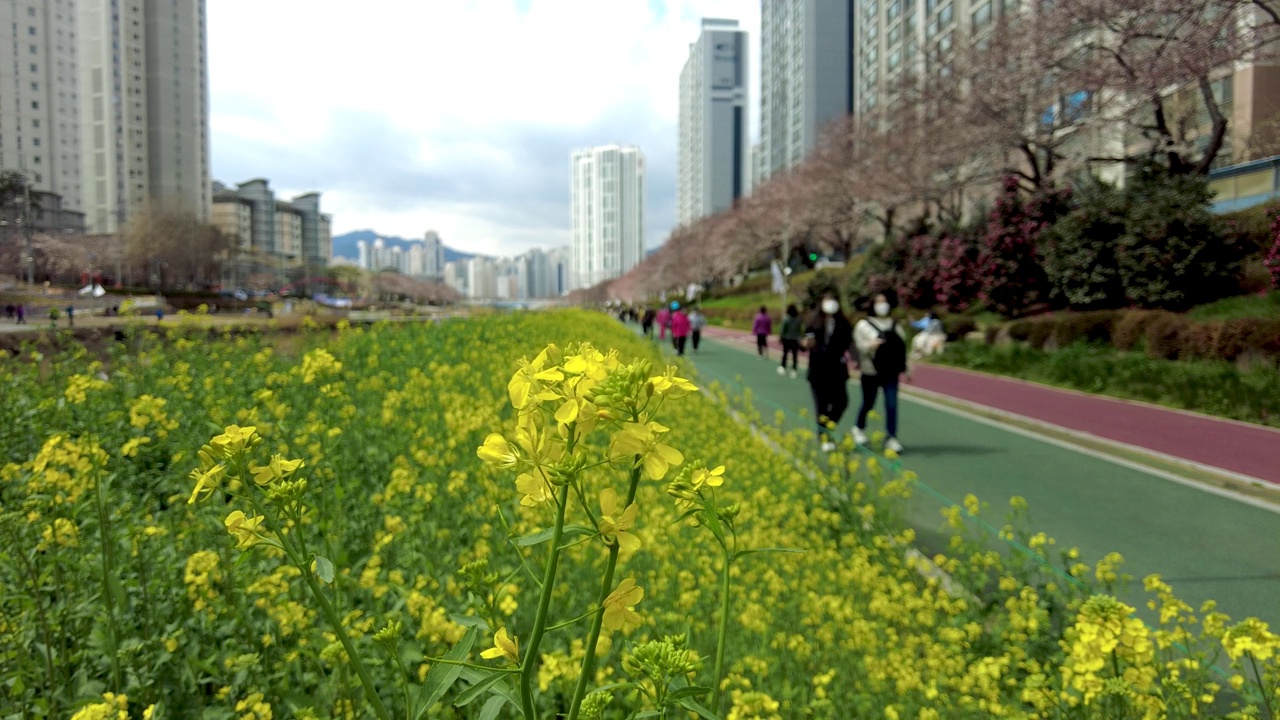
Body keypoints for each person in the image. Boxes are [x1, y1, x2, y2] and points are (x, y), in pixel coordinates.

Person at [852, 291, 910, 453]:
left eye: (884, 301)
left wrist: (906, 367)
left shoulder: (895, 325)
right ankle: (859, 427)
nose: (881, 305)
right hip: (870, 371)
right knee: (868, 402)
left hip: (891, 371)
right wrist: (870, 345)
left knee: (891, 404)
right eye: (878, 302)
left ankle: (891, 437)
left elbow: (902, 347)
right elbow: (858, 347)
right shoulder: (863, 325)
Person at [802, 291, 854, 452]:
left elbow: (848, 343)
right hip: (818, 370)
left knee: (841, 402)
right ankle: (824, 437)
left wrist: (855, 358)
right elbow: (805, 340)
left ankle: (828, 429)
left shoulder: (843, 323)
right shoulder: (814, 322)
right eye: (827, 300)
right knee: (822, 406)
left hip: (837, 369)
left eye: (833, 300)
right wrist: (805, 343)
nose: (830, 303)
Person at [777, 304, 803, 378]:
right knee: (795, 355)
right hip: (795, 339)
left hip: (787, 339)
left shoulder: (787, 319)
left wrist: (780, 338)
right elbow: (799, 330)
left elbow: (783, 330)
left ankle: (783, 367)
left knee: (785, 353)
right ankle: (794, 369)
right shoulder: (798, 319)